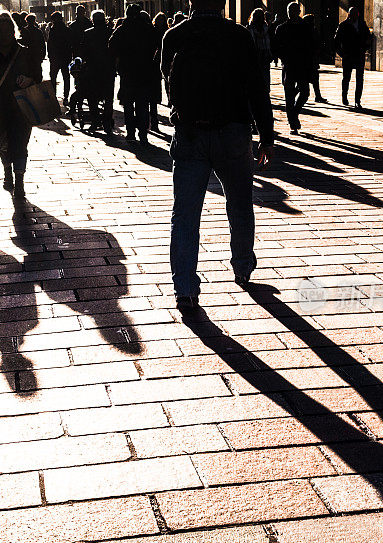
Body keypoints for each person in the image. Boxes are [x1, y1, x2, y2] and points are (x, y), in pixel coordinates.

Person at [161, 0, 274, 311]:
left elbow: (167, 82)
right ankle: (242, 267)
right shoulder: (239, 35)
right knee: (239, 203)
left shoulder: (174, 35)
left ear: (190, 3)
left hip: (190, 134)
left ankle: (184, 286)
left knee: (185, 214)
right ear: (223, 3)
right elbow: (257, 89)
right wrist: (266, 135)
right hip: (233, 132)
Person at [0, 12, 41, 198]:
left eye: (8, 31)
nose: (5, 35)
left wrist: (29, 80)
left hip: (21, 106)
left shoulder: (24, 52)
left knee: (20, 143)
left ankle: (19, 181)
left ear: (14, 31)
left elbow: (37, 75)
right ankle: (7, 172)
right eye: (1, 31)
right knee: (2, 141)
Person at [109, 3, 157, 143]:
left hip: (127, 72)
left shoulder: (122, 29)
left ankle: (131, 134)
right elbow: (157, 44)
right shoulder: (148, 28)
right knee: (143, 104)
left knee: (128, 105)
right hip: (144, 72)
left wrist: (120, 58)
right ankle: (143, 134)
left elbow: (111, 47)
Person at [273, 2, 312, 133]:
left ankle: (294, 113)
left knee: (305, 93)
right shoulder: (281, 28)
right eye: (290, 10)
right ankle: (292, 123)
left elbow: (312, 45)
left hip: (302, 65)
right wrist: (284, 58)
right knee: (289, 96)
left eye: (294, 10)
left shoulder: (306, 27)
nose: (292, 12)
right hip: (289, 66)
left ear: (299, 11)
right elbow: (276, 47)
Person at [78, 10, 115, 133]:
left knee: (92, 97)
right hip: (108, 70)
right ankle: (107, 123)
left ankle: (95, 122)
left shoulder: (88, 33)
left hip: (92, 70)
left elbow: (83, 52)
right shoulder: (111, 32)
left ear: (93, 20)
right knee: (108, 98)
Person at [334, 6, 371, 109]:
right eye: (352, 14)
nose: (355, 16)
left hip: (359, 55)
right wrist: (342, 53)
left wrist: (365, 48)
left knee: (360, 79)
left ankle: (357, 101)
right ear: (349, 14)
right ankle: (344, 96)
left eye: (356, 14)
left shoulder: (362, 24)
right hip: (348, 55)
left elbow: (368, 37)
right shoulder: (343, 25)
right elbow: (336, 41)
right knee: (346, 77)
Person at [47, 12, 72, 105]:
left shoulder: (53, 30)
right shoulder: (67, 30)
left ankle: (54, 96)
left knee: (53, 77)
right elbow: (70, 44)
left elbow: (50, 45)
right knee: (66, 77)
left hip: (55, 58)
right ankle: (66, 96)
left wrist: (50, 56)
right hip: (65, 57)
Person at [247, 8, 272, 97]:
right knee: (264, 74)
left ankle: (261, 91)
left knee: (259, 74)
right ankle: (264, 91)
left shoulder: (250, 28)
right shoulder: (267, 28)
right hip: (263, 53)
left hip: (258, 54)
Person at [150, 12, 168, 132]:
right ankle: (153, 120)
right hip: (154, 65)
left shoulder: (167, 32)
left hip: (158, 64)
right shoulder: (152, 32)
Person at [304, 13, 327, 103]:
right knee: (309, 79)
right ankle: (317, 96)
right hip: (309, 59)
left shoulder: (311, 30)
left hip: (311, 59)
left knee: (313, 79)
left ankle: (318, 96)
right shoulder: (310, 31)